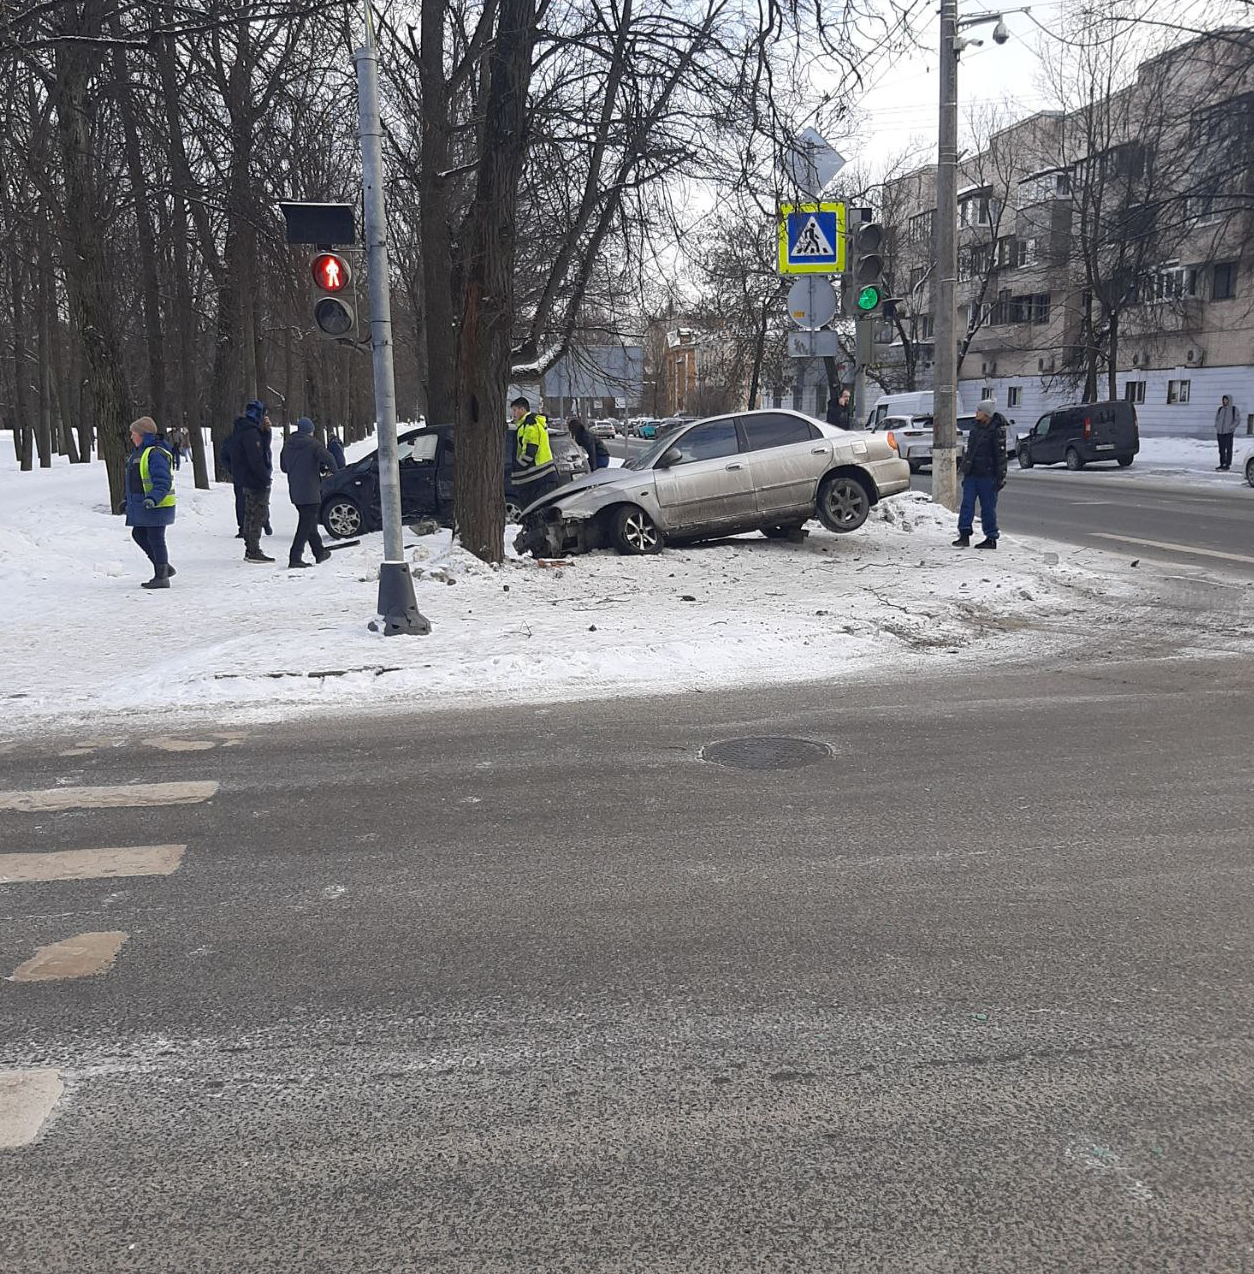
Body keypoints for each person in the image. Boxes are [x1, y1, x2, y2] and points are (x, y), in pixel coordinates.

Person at [280, 417, 339, 569]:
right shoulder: (314, 444)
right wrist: (334, 471)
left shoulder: (288, 444)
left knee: (309, 521)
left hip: (295, 490)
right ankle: (295, 557)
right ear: (310, 431)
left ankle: (319, 552)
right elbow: (329, 458)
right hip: (311, 490)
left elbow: (284, 467)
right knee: (305, 524)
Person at [125, 416, 176, 589]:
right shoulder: (141, 453)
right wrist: (128, 501)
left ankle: (162, 576)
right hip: (146, 504)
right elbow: (138, 481)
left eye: (133, 433)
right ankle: (163, 567)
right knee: (139, 534)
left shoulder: (155, 453)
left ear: (142, 434)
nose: (131, 437)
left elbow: (162, 480)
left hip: (158, 504)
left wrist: (153, 498)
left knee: (155, 538)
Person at [953, 398, 1007, 550]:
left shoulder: (997, 431)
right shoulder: (976, 428)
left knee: (988, 508)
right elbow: (970, 452)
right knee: (966, 505)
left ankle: (991, 537)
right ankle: (964, 534)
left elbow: (1000, 456)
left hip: (988, 476)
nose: (976, 413)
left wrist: (1000, 477)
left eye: (979, 411)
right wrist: (964, 469)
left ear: (987, 414)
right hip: (972, 474)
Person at [232, 403, 275, 563]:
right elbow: (257, 458)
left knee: (251, 513)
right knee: (257, 514)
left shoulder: (247, 430)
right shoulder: (250, 434)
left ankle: (251, 547)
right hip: (255, 480)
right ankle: (253, 549)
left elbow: (264, 448)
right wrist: (264, 478)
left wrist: (266, 432)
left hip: (248, 479)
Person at [510, 396, 561, 505]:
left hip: (539, 480)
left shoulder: (530, 426)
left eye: (514, 410)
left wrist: (517, 465)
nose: (513, 414)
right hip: (542, 478)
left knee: (538, 514)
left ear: (522, 410)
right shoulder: (528, 425)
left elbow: (529, 453)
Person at [1214, 394, 1240, 471]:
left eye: (1226, 399)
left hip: (1228, 433)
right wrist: (1217, 426)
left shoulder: (1233, 409)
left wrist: (1231, 428)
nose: (1225, 401)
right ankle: (1222, 463)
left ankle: (1227, 464)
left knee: (1228, 449)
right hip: (1220, 432)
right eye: (1224, 400)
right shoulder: (1220, 409)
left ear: (1229, 400)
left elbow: (1237, 420)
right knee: (1221, 449)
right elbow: (1217, 419)